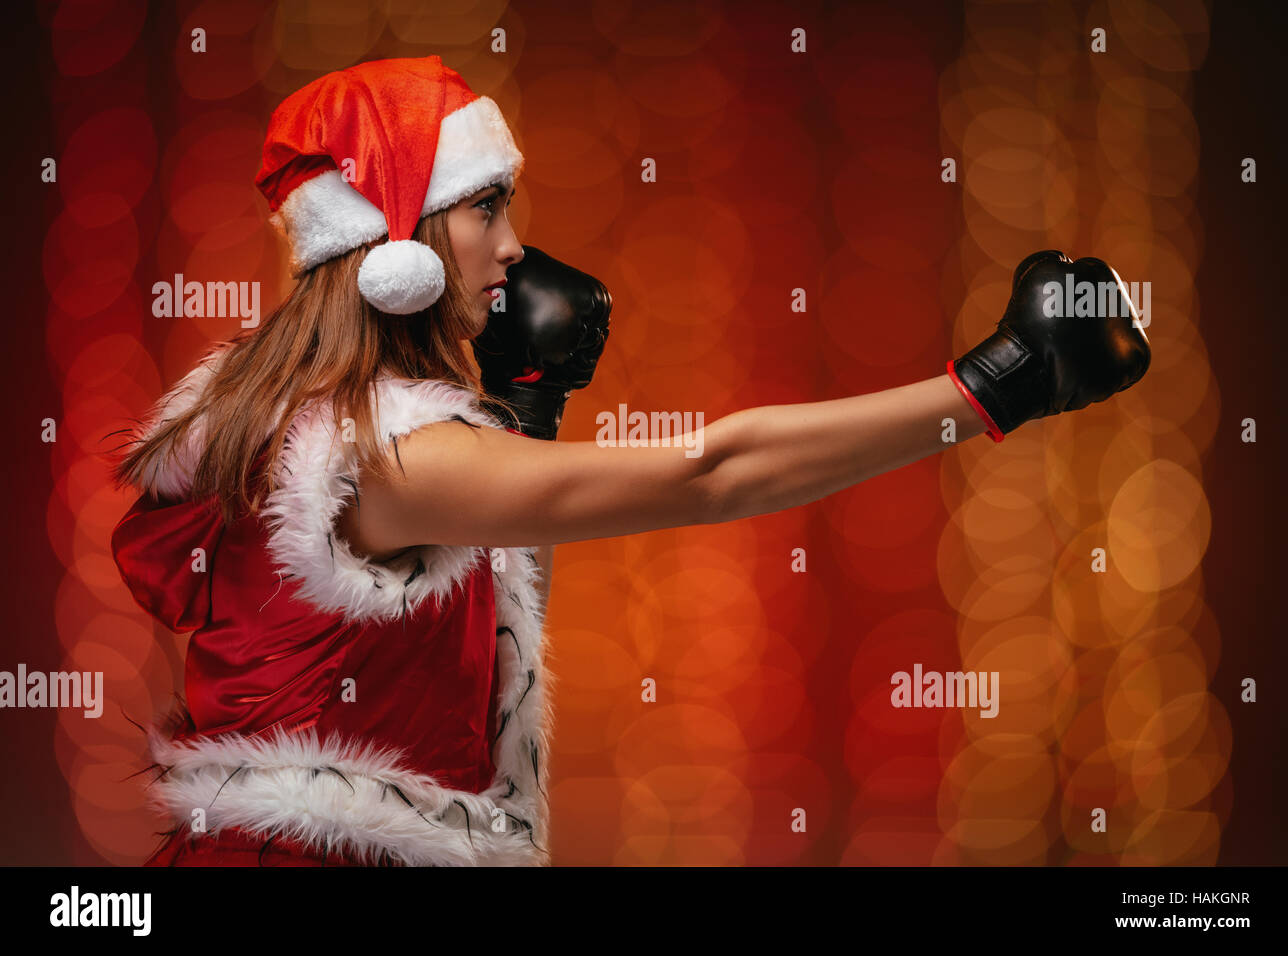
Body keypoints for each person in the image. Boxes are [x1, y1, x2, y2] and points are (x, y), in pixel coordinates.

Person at [109, 55, 1150, 868]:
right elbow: (711, 473)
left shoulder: (328, 422)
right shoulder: (379, 451)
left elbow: (496, 647)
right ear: (401, 246)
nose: (514, 247)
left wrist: (530, 406)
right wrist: (994, 385)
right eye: (486, 208)